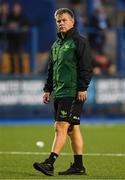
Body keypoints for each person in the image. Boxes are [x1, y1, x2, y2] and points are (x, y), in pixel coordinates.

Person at [33, 8, 93, 176]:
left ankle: (50, 163)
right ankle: (78, 166)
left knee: (60, 126)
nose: (61, 23)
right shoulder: (56, 45)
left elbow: (86, 67)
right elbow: (51, 70)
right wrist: (47, 89)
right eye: (58, 21)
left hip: (73, 92)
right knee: (73, 129)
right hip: (59, 92)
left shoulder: (79, 41)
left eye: (64, 20)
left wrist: (82, 87)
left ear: (73, 22)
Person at [7, 2, 29, 75]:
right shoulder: (10, 17)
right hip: (12, 40)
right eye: (15, 8)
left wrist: (17, 26)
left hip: (20, 40)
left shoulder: (23, 17)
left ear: (20, 9)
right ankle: (12, 72)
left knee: (20, 56)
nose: (16, 9)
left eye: (17, 8)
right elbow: (6, 24)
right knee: (12, 56)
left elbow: (27, 26)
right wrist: (10, 26)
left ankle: (21, 72)